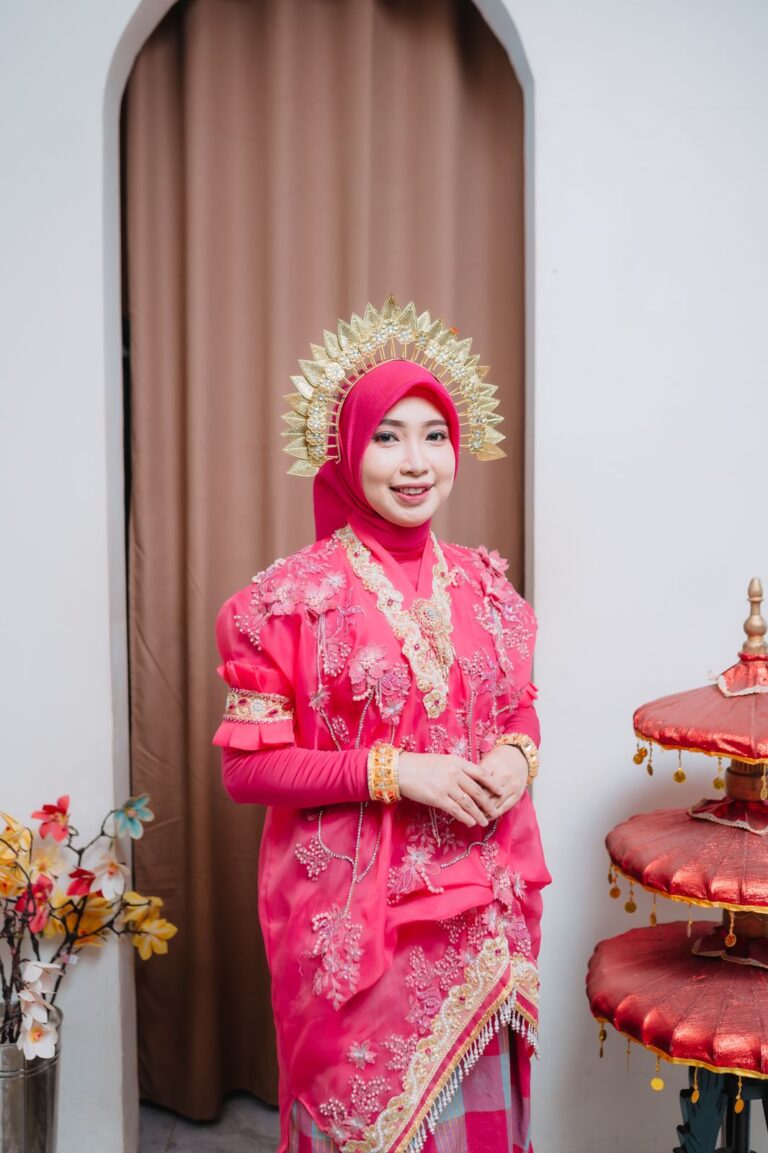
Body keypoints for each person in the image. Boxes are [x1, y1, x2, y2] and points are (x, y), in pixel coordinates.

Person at [214, 299, 550, 1153]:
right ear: (345, 447)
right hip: (356, 920)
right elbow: (246, 772)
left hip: (482, 908)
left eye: (434, 436)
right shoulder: (283, 603)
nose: (415, 462)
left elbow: (517, 705)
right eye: (388, 437)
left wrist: (518, 756)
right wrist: (398, 771)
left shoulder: (488, 588)